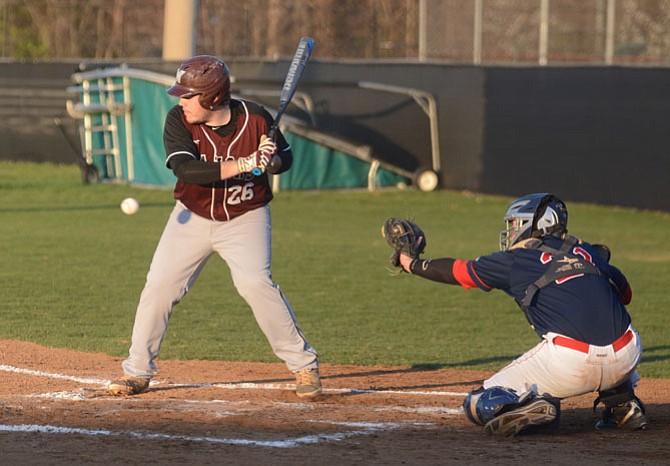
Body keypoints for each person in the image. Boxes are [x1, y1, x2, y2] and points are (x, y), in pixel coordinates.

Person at [108, 55, 321, 399]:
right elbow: (186, 169)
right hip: (191, 216)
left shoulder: (256, 118)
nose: (181, 101)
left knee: (255, 284)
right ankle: (137, 371)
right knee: (159, 286)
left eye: (188, 95)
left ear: (212, 98)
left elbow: (286, 159)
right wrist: (246, 163)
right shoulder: (178, 120)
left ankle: (304, 367)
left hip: (245, 217)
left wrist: (272, 159)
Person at [395, 193, 647, 436]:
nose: (512, 230)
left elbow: (461, 271)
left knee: (478, 403)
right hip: (627, 354)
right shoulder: (587, 251)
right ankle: (622, 405)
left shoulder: (519, 258)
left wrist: (411, 264)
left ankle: (531, 408)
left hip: (569, 363)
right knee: (609, 333)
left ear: (538, 223)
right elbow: (625, 295)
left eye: (516, 223)